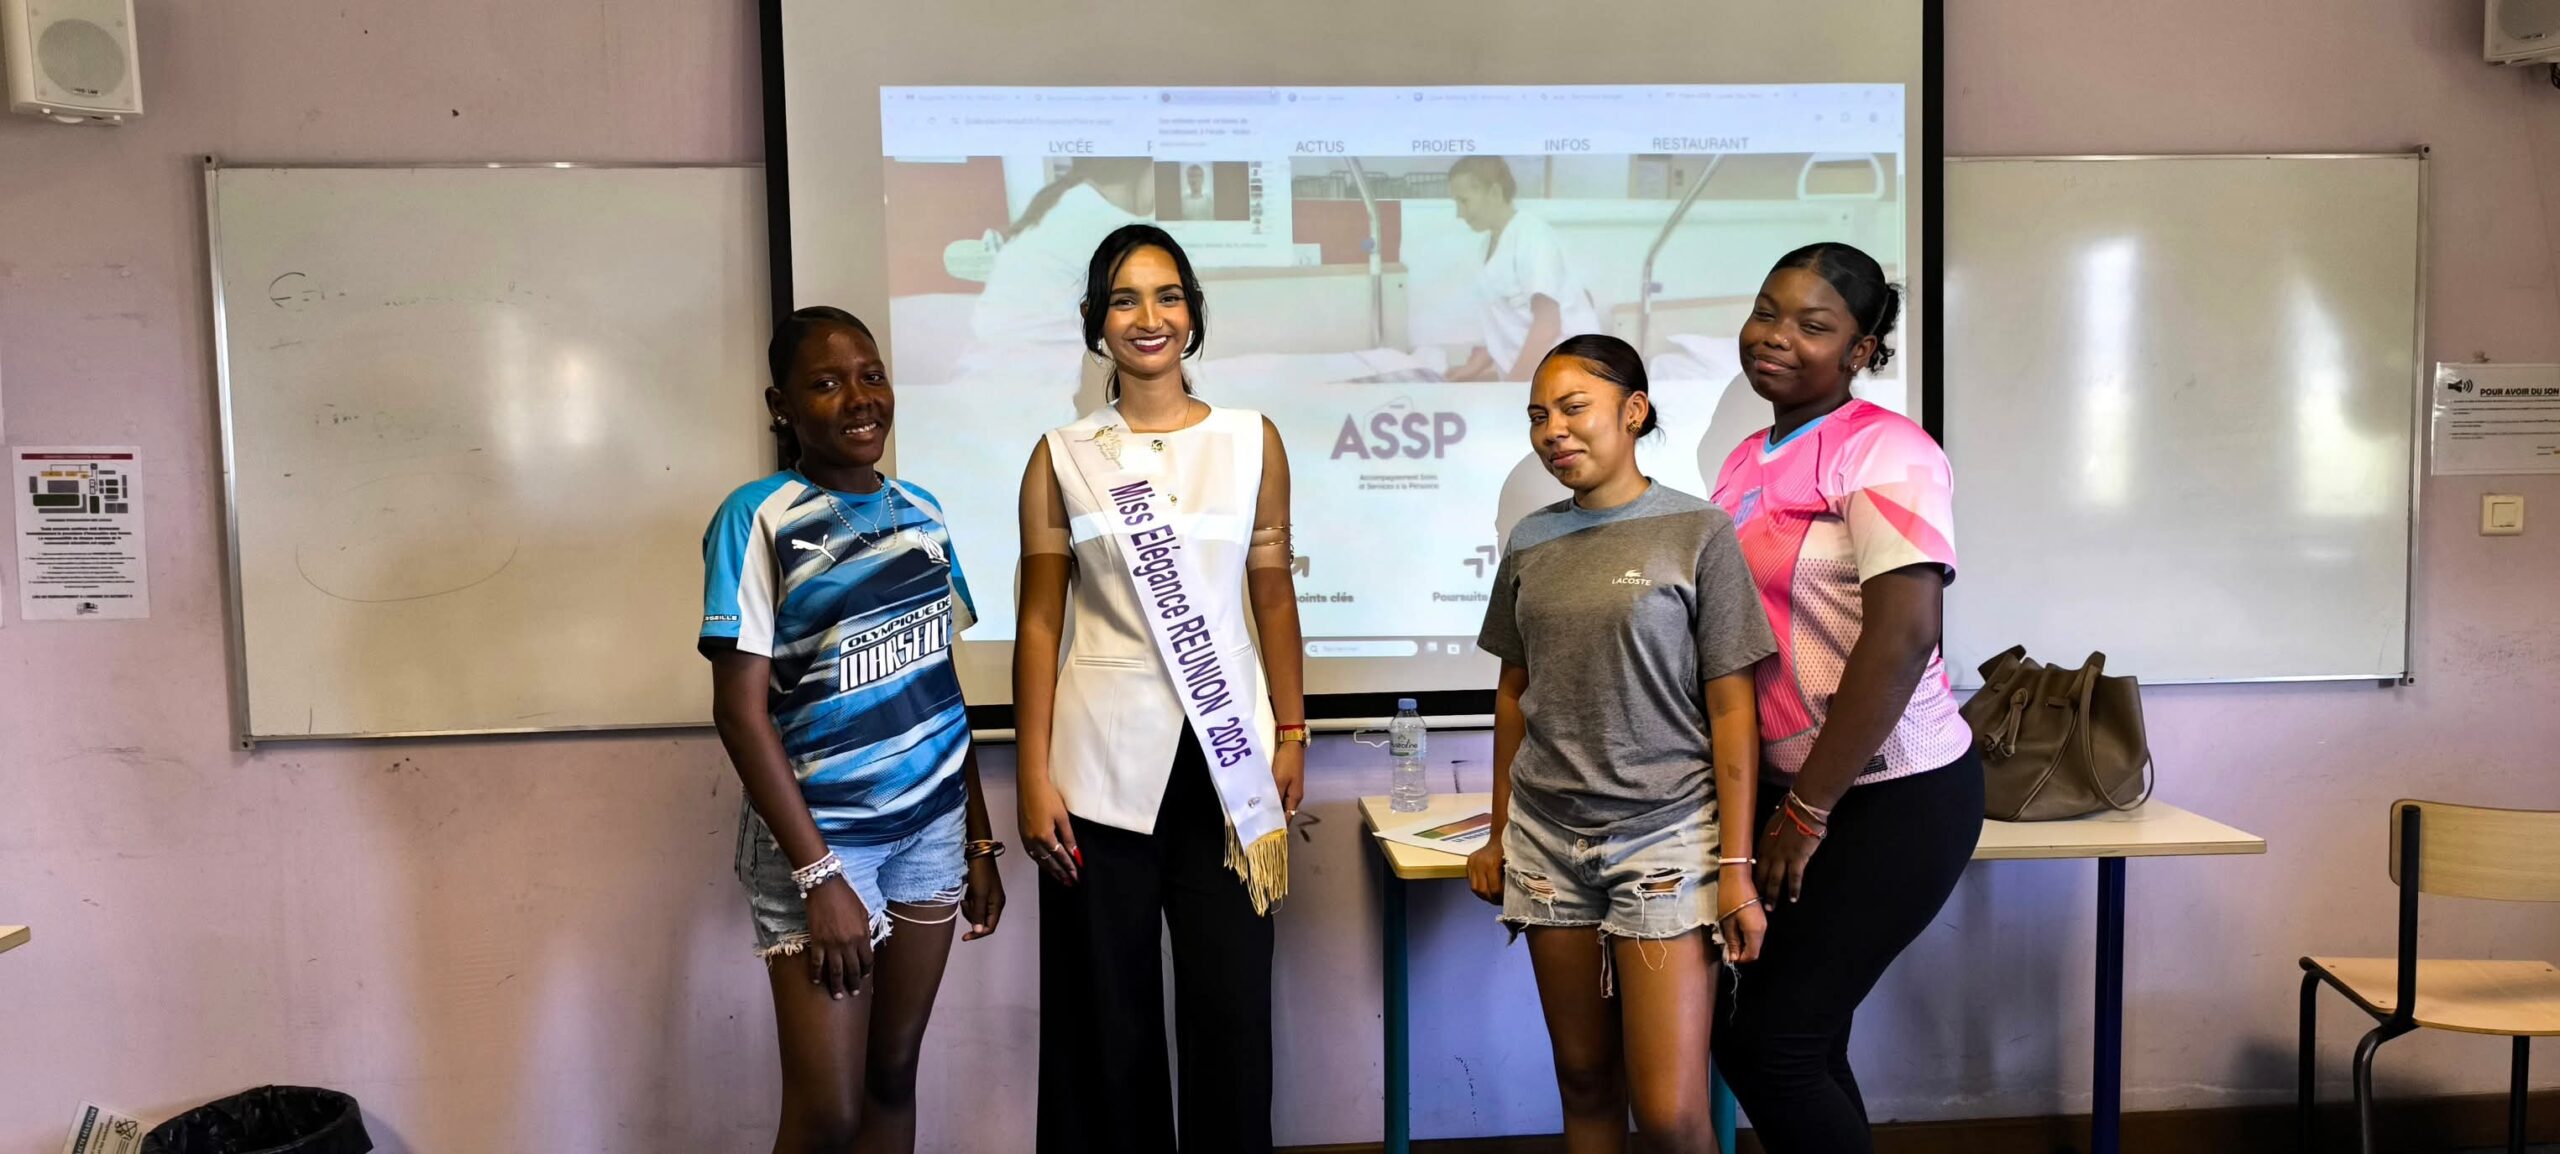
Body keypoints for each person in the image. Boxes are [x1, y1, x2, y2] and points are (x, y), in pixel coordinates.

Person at [1013, 224, 1308, 1154]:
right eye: (1125, 299)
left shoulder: (1251, 440)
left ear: (1193, 312)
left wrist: (1293, 731)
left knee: (1232, 1010)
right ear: (1096, 321)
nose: (1150, 317)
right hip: (1098, 773)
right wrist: (1032, 774)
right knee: (1105, 1017)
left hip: (1228, 764)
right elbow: (1040, 623)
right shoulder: (1062, 454)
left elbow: (1273, 594)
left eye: (1169, 295)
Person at [700, 306, 1007, 1153]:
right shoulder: (758, 516)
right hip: (826, 841)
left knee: (891, 1077)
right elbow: (738, 711)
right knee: (828, 1113)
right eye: (827, 384)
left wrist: (979, 841)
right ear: (782, 406)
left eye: (871, 375)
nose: (859, 398)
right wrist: (819, 875)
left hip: (931, 832)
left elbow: (938, 683)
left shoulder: (922, 510)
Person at [1466, 334, 1775, 1153]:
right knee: (1584, 1082)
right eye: (1539, 416)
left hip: (1665, 836)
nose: (1553, 432)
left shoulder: (1698, 531)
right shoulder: (1530, 539)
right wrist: (1499, 832)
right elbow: (1513, 691)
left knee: (1670, 1112)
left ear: (1634, 412)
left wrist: (1736, 869)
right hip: (1547, 840)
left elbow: (1733, 710)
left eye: (1574, 409)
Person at [1706, 243, 1983, 1154]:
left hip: (1892, 795)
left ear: (1860, 351)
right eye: (1766, 311)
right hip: (1796, 791)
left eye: (1812, 325)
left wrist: (1808, 811)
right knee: (1805, 1042)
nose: (1775, 337)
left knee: (1768, 1047)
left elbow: (1902, 637)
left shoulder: (1889, 452)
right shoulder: (1744, 460)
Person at [962, 157, 1159, 368]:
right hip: (1036, 367)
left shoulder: (1064, 201)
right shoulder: (1113, 225)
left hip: (987, 358)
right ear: (1144, 173)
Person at [1445, 155, 1600, 383]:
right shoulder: (1486, 247)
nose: (1459, 213)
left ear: (1494, 192)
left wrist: (1512, 386)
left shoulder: (1532, 237)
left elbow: (1547, 325)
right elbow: (1505, 323)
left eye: (1464, 201)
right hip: (1530, 377)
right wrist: (1472, 369)